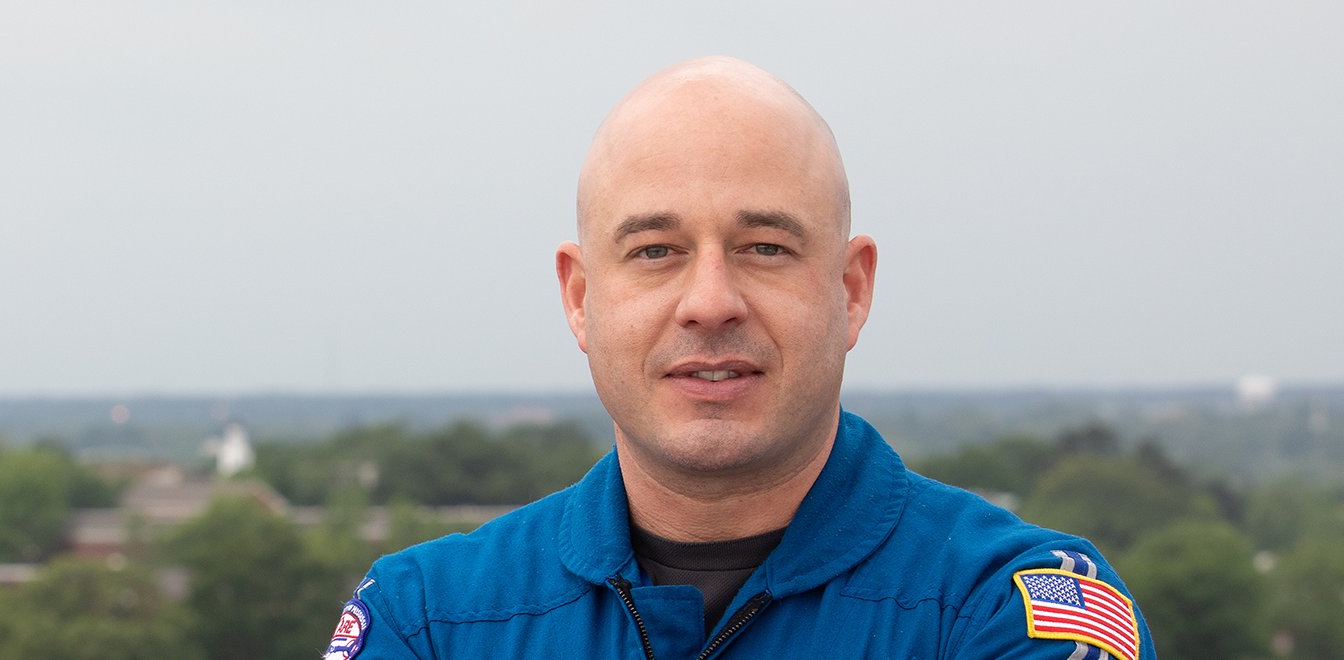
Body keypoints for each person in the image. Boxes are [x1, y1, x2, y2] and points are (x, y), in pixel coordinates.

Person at [323, 57, 1154, 660]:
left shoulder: (1006, 612)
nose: (710, 301)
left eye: (764, 247)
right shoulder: (429, 620)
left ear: (851, 289)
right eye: (655, 251)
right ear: (581, 298)